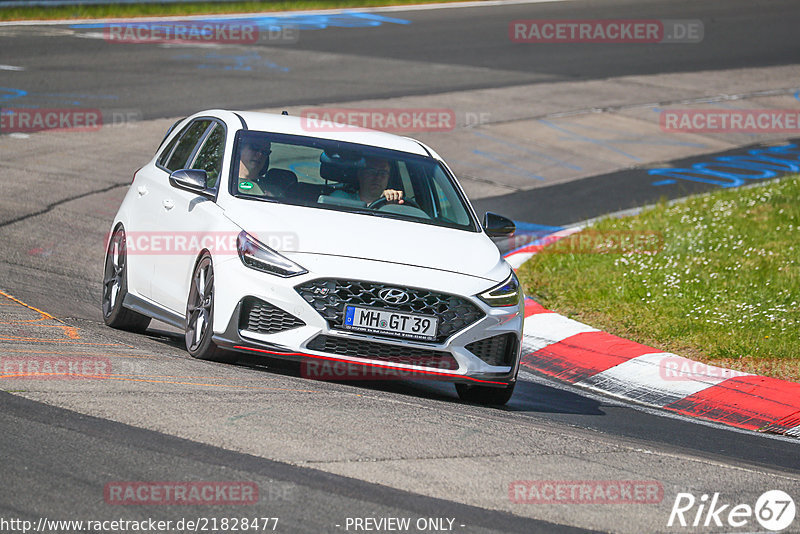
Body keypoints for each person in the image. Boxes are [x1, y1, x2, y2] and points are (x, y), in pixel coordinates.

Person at [333, 157, 404, 205]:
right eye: (372, 171)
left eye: (383, 173)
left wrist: (391, 204)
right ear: (360, 174)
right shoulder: (340, 198)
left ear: (388, 178)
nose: (378, 177)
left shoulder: (394, 204)